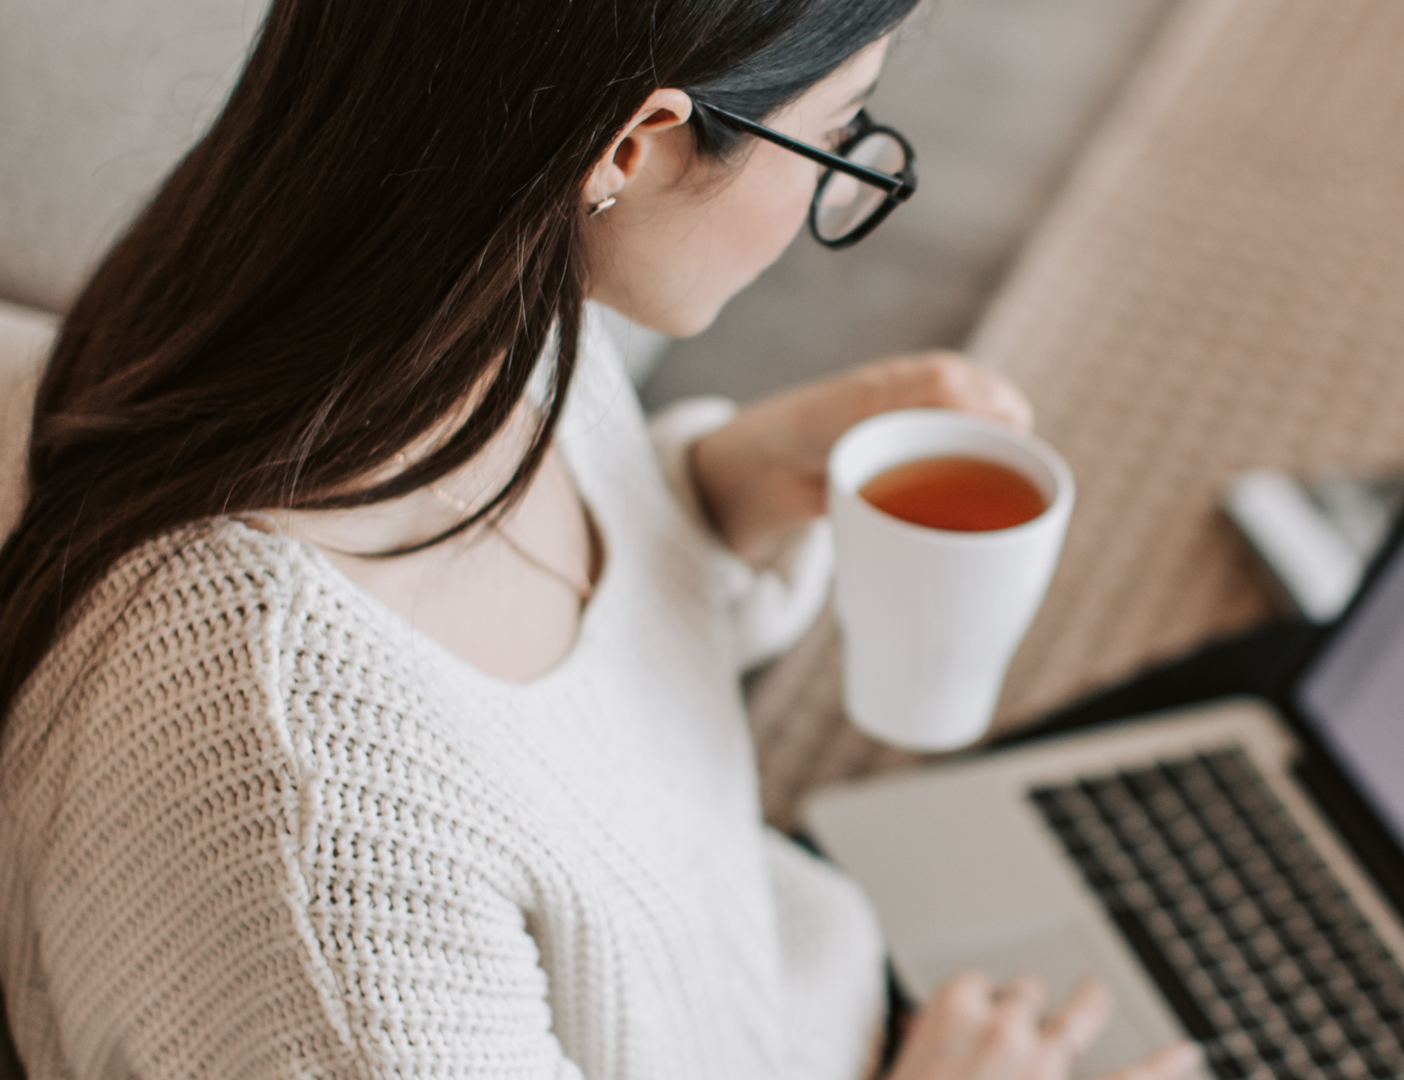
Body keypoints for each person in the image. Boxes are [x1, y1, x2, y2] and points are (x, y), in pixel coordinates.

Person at [0, 1, 1206, 1078]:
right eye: (836, 134)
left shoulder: (434, 307)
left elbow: (543, 713)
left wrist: (720, 494)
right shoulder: (315, 828)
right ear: (635, 144)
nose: (836, 183)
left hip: (786, 965)